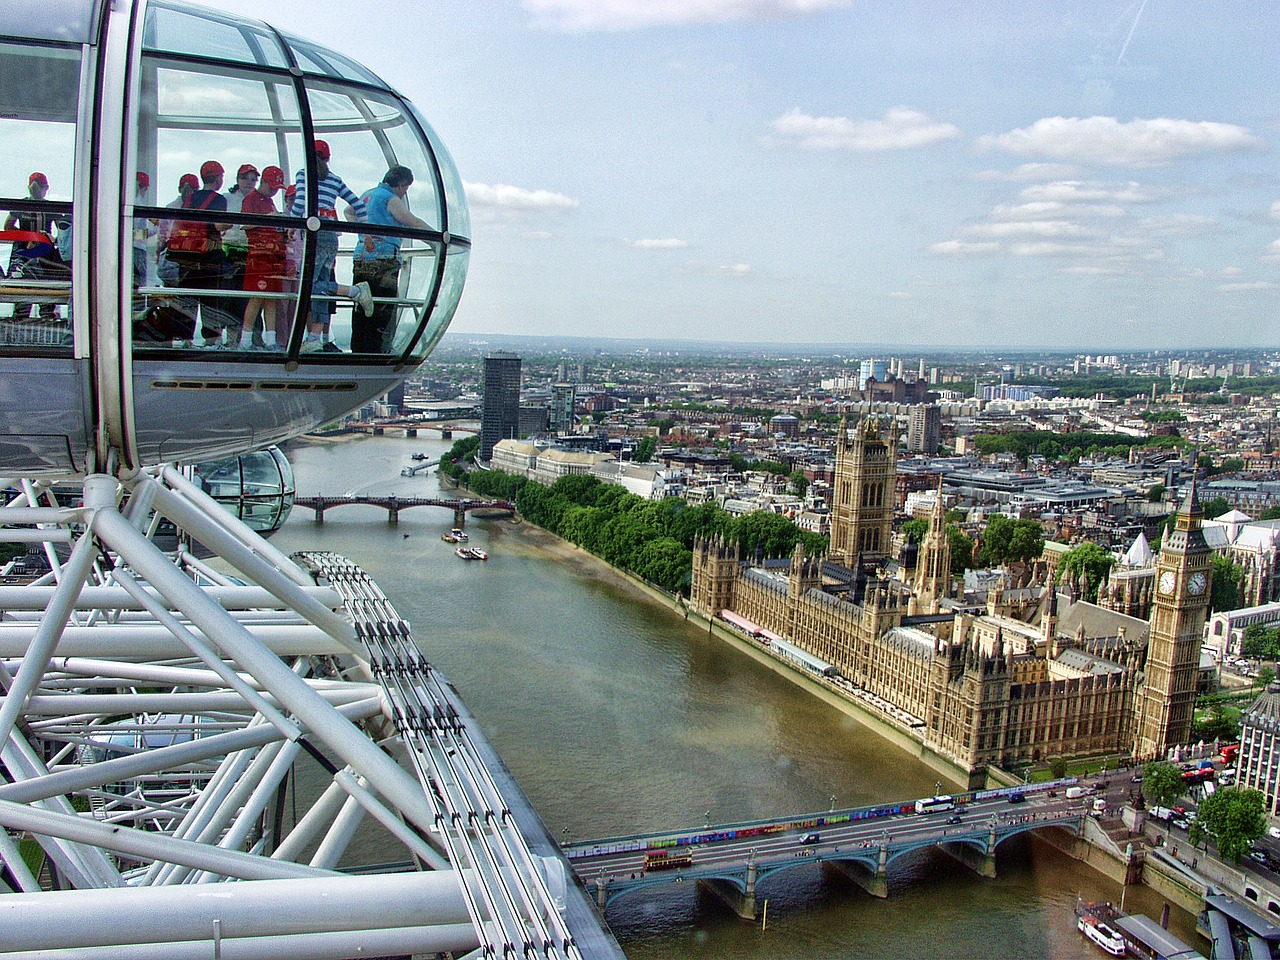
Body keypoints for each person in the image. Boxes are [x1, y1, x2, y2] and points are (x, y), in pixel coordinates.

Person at [289, 139, 372, 350]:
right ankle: (314, 338)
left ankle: (354, 292)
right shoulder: (335, 180)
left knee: (310, 284)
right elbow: (359, 206)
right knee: (320, 289)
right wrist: (365, 234)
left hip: (314, 236)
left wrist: (288, 225)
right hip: (330, 238)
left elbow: (300, 204)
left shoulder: (303, 175)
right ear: (328, 158)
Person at [352, 164, 431, 354]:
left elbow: (349, 211)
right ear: (401, 184)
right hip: (383, 260)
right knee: (382, 307)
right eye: (405, 188)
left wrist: (364, 234)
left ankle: (359, 349)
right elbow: (411, 221)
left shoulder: (367, 195)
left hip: (362, 257)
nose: (404, 193)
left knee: (362, 306)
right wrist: (436, 239)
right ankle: (376, 350)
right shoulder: (390, 198)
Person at [166, 160, 232, 345]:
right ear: (218, 178)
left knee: (187, 300)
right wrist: (230, 223)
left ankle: (184, 339)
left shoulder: (188, 199)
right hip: (208, 257)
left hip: (186, 257)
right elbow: (217, 225)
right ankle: (212, 339)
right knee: (211, 300)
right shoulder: (219, 200)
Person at [241, 165, 286, 349]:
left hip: (273, 258)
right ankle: (244, 341)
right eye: (273, 186)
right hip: (258, 258)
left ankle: (271, 340)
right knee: (256, 297)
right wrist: (268, 217)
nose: (275, 191)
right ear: (264, 182)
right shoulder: (251, 199)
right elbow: (244, 224)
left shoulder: (269, 201)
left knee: (271, 298)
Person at [5, 172, 59, 319]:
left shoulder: (22, 205)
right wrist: (45, 238)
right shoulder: (51, 207)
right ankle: (47, 328)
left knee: (22, 294)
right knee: (48, 298)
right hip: (42, 255)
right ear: (46, 187)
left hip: (24, 255)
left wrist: (26, 236)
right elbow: (63, 232)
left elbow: (8, 226)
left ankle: (20, 327)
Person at [156, 173, 198, 285]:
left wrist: (158, 251)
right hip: (189, 255)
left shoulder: (170, 207)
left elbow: (162, 235)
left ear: (179, 189)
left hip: (172, 254)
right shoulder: (196, 208)